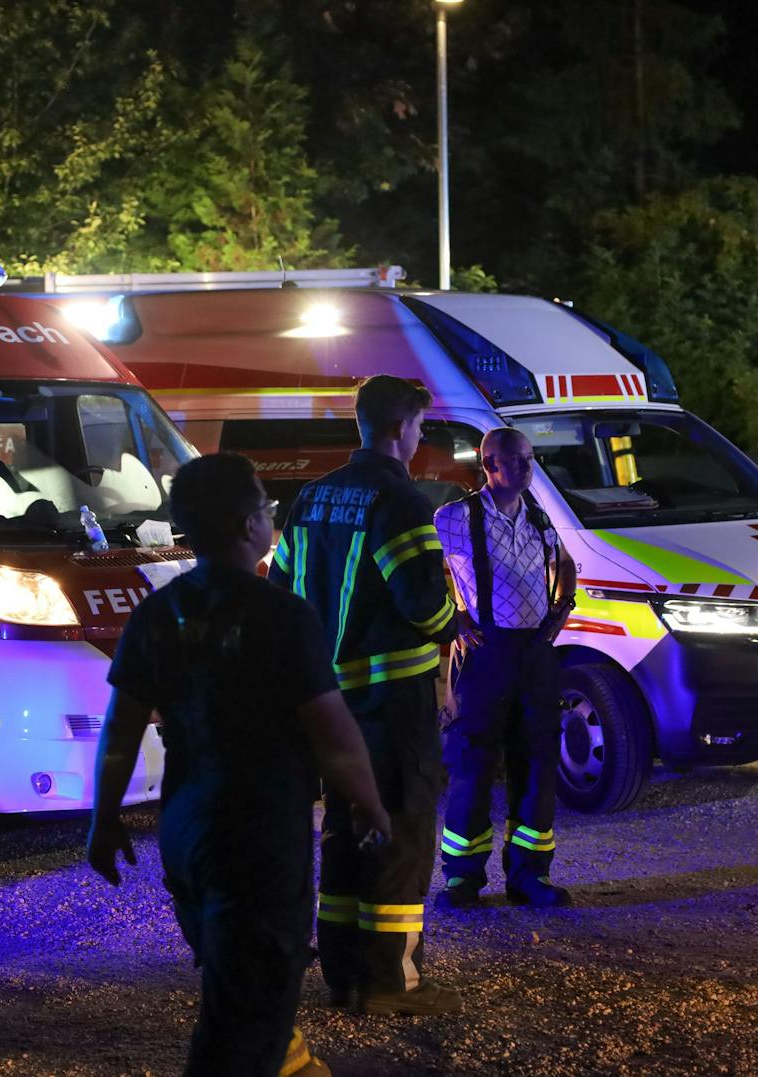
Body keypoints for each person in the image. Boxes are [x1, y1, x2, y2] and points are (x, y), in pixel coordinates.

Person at [87, 453, 390, 1077]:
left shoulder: (157, 614)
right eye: (265, 506)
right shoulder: (282, 615)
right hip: (258, 837)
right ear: (250, 524)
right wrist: (370, 805)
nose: (270, 517)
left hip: (188, 832)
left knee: (239, 987)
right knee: (241, 1020)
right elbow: (333, 733)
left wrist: (104, 817)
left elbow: (121, 726)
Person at [268, 375, 461, 1016]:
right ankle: (391, 981)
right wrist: (455, 623)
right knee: (402, 830)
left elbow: (285, 593)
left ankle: (343, 972)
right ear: (401, 428)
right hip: (391, 702)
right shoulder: (399, 501)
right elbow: (424, 604)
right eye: (419, 428)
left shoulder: (312, 498)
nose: (419, 439)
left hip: (330, 702)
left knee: (345, 835)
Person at [434, 427, 578, 907]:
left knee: (537, 763)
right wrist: (453, 619)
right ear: (489, 464)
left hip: (534, 656)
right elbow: (422, 569)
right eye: (516, 460)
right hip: (484, 656)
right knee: (472, 764)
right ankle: (463, 878)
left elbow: (564, 562)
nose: (526, 468)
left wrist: (562, 609)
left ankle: (528, 876)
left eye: (530, 460)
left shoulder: (539, 518)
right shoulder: (454, 517)